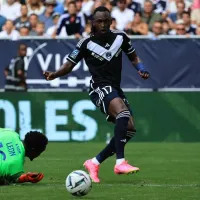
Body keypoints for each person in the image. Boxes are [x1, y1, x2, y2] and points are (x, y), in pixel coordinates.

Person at [43, 6, 150, 183]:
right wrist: (54, 74)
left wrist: (141, 69)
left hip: (115, 87)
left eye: (106, 21)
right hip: (99, 86)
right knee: (123, 113)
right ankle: (120, 162)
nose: (103, 24)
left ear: (111, 21)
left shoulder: (120, 37)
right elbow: (69, 65)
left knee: (129, 129)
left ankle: (94, 162)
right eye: (99, 21)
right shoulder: (86, 43)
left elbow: (134, 57)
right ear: (93, 22)